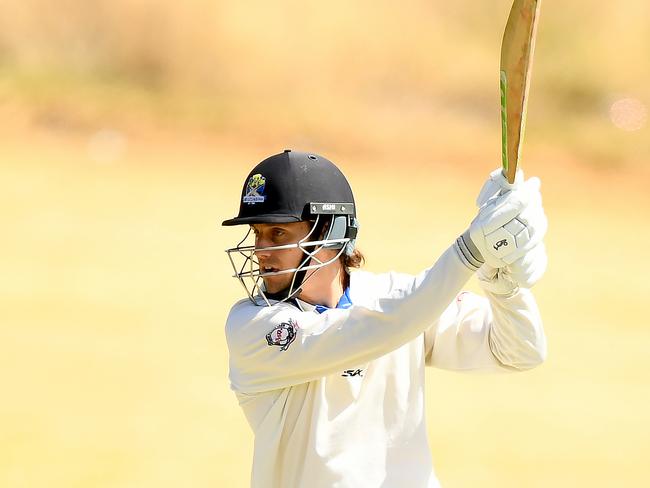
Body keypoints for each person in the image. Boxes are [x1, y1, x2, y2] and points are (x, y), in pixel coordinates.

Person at [222, 149, 548, 488]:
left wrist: (505, 284)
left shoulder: (400, 298)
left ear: (328, 233)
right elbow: (382, 327)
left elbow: (521, 351)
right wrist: (472, 250)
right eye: (257, 233)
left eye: (278, 234)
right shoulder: (253, 327)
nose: (261, 250)